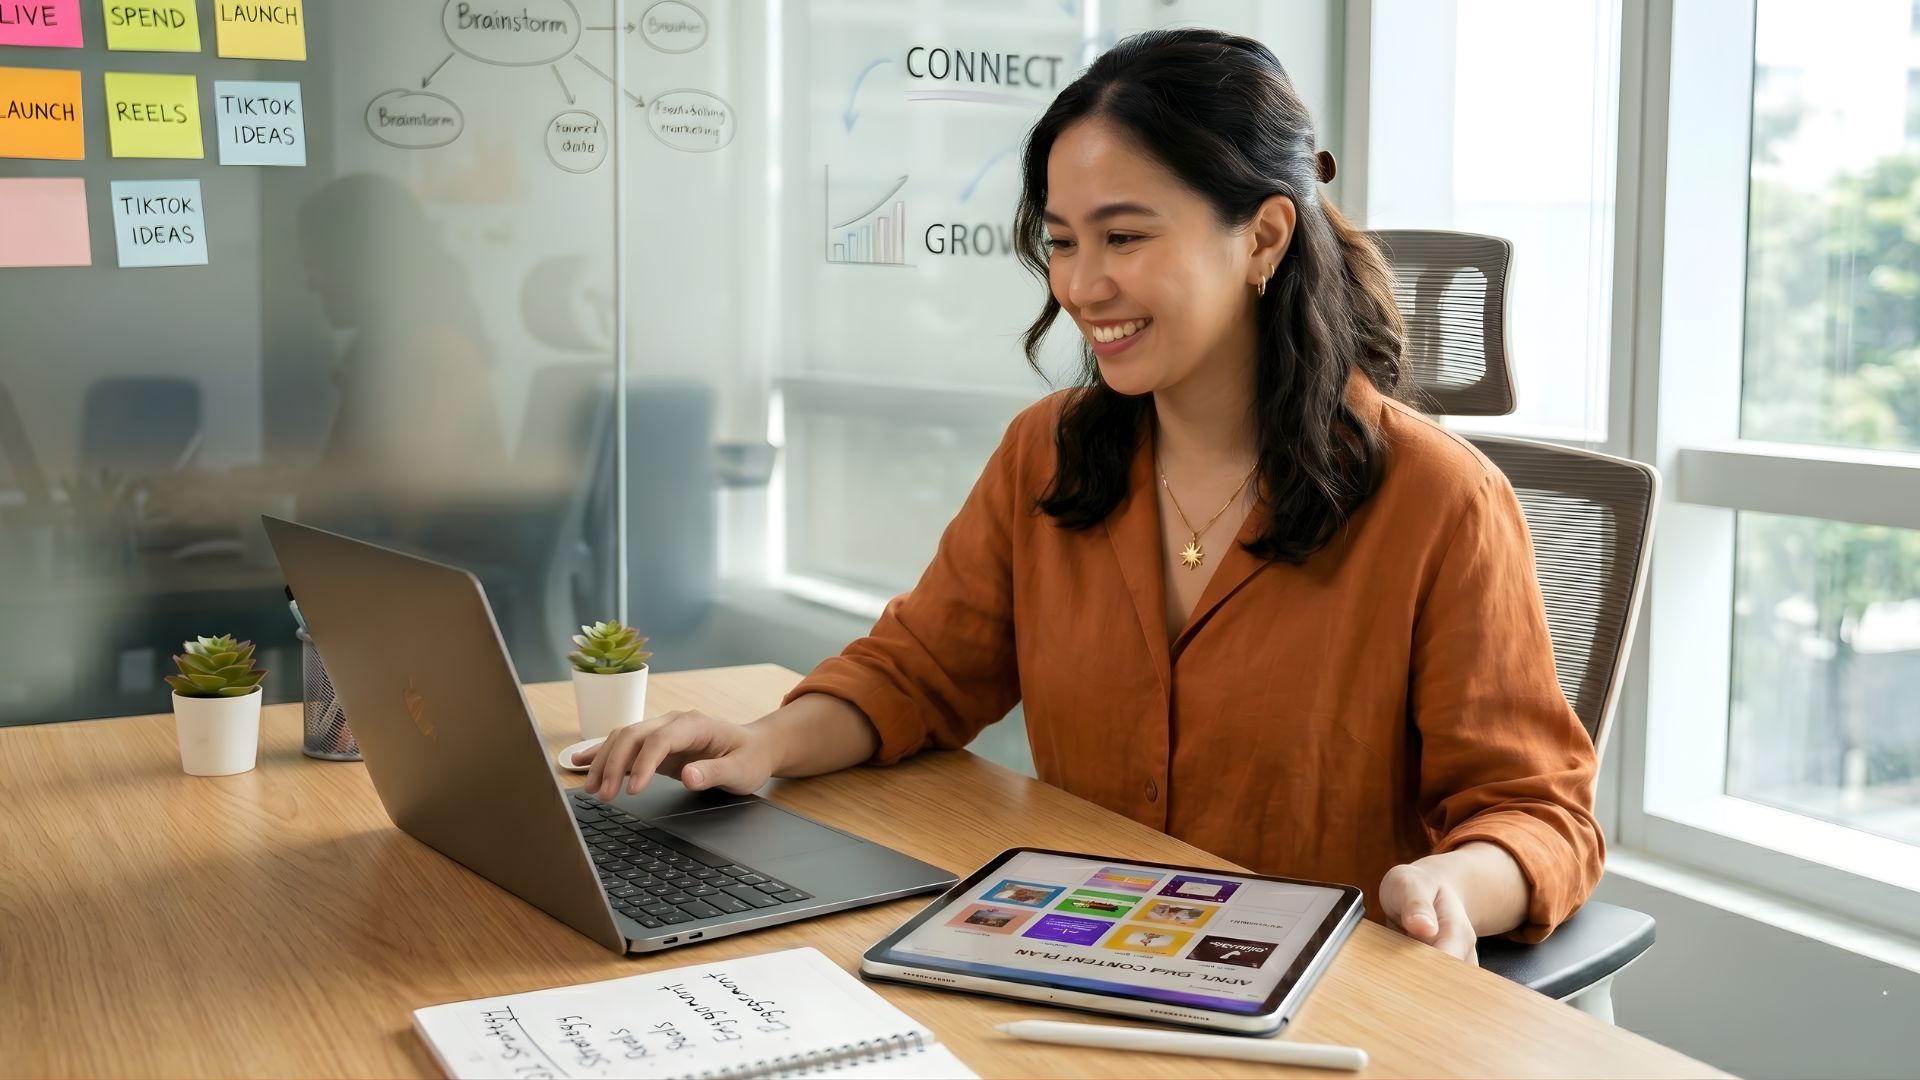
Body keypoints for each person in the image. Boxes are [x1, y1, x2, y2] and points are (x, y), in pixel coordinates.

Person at [578, 29, 1602, 963]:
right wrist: (766, 741)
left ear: (1263, 239)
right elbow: (925, 668)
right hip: (1077, 952)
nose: (1078, 284)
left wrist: (1453, 886)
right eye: (1063, 241)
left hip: (1316, 997)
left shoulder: (1439, 501)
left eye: (1123, 238)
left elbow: (1539, 814)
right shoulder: (1051, 456)